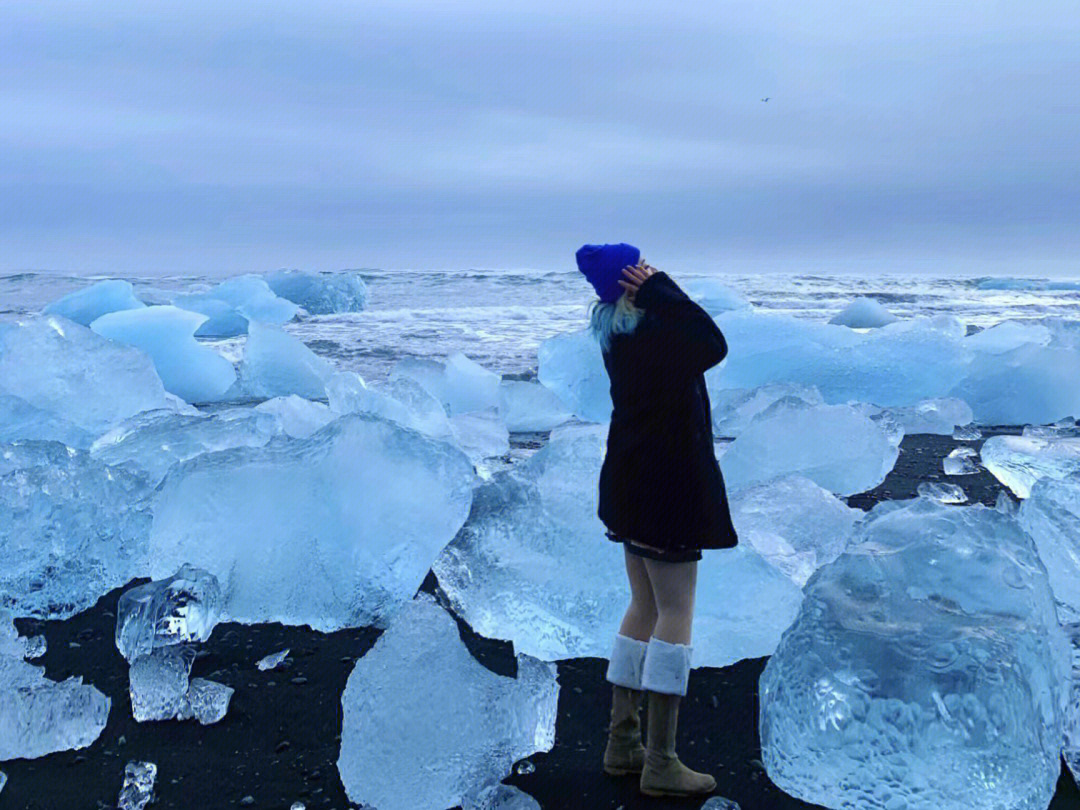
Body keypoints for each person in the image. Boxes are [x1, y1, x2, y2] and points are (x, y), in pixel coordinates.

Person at [576, 243, 739, 798]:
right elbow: (713, 342)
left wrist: (648, 294)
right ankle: (661, 761)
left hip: (630, 482)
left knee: (644, 604)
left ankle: (623, 743)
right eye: (638, 266)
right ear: (628, 281)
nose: (647, 269)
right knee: (674, 609)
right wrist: (662, 287)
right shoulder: (657, 332)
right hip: (667, 486)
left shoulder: (621, 335)